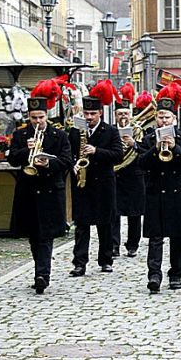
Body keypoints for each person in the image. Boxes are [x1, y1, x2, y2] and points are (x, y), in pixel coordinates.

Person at [8, 80, 73, 294]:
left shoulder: (59, 135)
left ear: (47, 116)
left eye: (41, 117)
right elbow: (12, 159)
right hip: (28, 191)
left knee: (46, 235)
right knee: (33, 235)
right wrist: (26, 151)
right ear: (29, 116)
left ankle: (42, 275)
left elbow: (67, 161)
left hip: (50, 191)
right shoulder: (20, 135)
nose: (38, 122)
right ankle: (40, 269)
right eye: (34, 118)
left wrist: (48, 163)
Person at [139, 88, 181, 292]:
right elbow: (141, 163)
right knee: (155, 237)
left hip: (178, 193)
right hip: (155, 192)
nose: (163, 121)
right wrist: (155, 149)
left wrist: (175, 148)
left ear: (174, 119)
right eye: (160, 117)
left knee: (178, 236)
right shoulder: (148, 139)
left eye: (167, 117)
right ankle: (154, 275)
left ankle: (176, 274)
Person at [69, 80, 124, 277]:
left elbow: (118, 155)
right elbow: (68, 153)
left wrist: (96, 151)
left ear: (100, 113)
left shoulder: (110, 131)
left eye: (93, 114)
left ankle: (106, 260)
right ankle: (79, 262)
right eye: (86, 114)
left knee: (105, 224)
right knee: (81, 225)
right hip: (82, 183)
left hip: (104, 184)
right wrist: (73, 164)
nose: (89, 117)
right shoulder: (76, 131)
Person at [112, 97, 145, 258]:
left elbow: (145, 150)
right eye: (120, 114)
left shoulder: (138, 130)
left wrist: (134, 144)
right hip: (115, 175)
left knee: (134, 213)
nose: (123, 116)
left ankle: (133, 245)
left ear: (130, 114)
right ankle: (114, 245)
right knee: (114, 213)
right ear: (115, 115)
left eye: (126, 113)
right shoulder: (111, 130)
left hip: (134, 176)